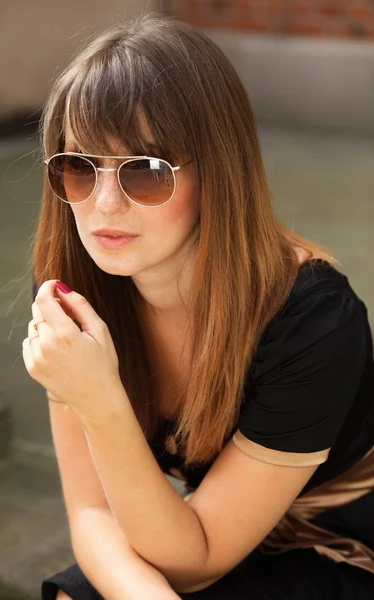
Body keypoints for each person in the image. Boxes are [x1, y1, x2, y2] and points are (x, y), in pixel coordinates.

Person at [25, 13, 374, 600]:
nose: (105, 203)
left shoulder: (312, 319)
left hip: (339, 544)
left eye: (147, 171)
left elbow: (200, 560)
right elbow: (91, 515)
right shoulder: (76, 289)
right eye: (78, 168)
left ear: (217, 172)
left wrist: (100, 399)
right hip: (205, 528)